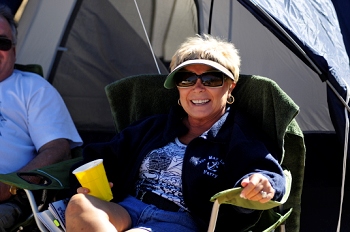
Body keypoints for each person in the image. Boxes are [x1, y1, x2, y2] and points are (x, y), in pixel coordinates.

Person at [65, 34, 286, 232]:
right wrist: (90, 181)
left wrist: (261, 183)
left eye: (211, 79)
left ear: (230, 86)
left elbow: (267, 173)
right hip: (128, 207)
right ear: (178, 88)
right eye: (186, 79)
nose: (198, 87)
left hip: (181, 221)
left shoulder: (238, 135)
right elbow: (100, 157)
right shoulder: (154, 127)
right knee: (79, 205)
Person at [0, 4, 82, 230]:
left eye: (2, 42)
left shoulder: (32, 88)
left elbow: (57, 149)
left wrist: (10, 185)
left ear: (14, 50)